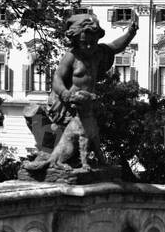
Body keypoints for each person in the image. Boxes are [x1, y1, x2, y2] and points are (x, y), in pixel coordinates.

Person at [25, 12, 137, 176]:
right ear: (76, 40)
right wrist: (63, 93)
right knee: (60, 133)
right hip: (66, 103)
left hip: (85, 103)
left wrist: (130, 34)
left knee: (85, 134)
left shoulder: (98, 53)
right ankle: (53, 159)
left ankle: (75, 160)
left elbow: (115, 46)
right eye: (85, 43)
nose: (89, 46)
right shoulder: (72, 56)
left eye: (92, 42)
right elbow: (57, 77)